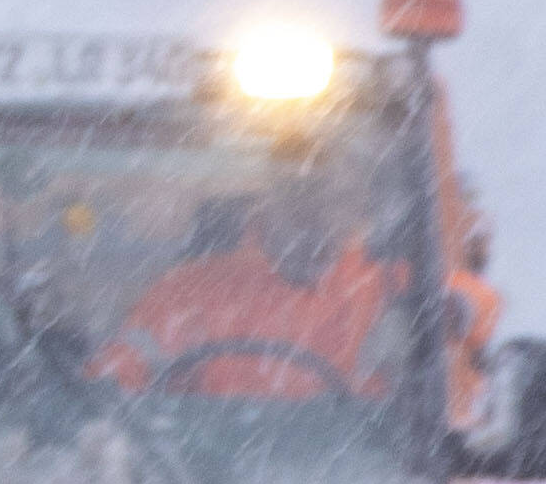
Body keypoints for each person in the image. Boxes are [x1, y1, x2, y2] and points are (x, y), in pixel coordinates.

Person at [112, 157, 400, 395]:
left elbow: (433, 384)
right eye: (296, 192)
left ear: (361, 209)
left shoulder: (387, 285)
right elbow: (112, 389)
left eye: (334, 198)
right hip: (205, 459)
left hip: (363, 459)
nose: (313, 214)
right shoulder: (187, 291)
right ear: (262, 204)